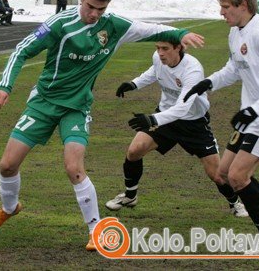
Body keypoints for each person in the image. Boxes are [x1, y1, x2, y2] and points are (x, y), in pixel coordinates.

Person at [0, 0, 204, 252]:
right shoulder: (59, 24)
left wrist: (180, 33)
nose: (94, 15)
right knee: (7, 165)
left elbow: (149, 29)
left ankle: (96, 230)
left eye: (101, 10)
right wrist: (4, 85)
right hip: (43, 102)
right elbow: (21, 50)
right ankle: (9, 208)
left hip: (77, 107)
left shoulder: (113, 26)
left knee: (74, 167)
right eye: (90, 7)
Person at [184, 0, 259, 255]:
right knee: (223, 172)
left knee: (237, 176)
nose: (221, 13)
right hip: (250, 117)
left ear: (242, 6)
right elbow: (235, 67)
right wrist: (208, 83)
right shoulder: (236, 32)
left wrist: (256, 110)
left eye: (225, 7)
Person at [105, 40, 248, 218]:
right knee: (135, 150)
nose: (160, 53)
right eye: (157, 48)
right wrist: (134, 84)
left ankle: (235, 204)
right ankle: (129, 196)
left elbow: (182, 108)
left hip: (193, 123)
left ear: (178, 48)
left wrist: (151, 119)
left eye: (165, 49)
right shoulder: (158, 58)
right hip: (165, 118)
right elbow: (155, 71)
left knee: (217, 175)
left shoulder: (192, 69)